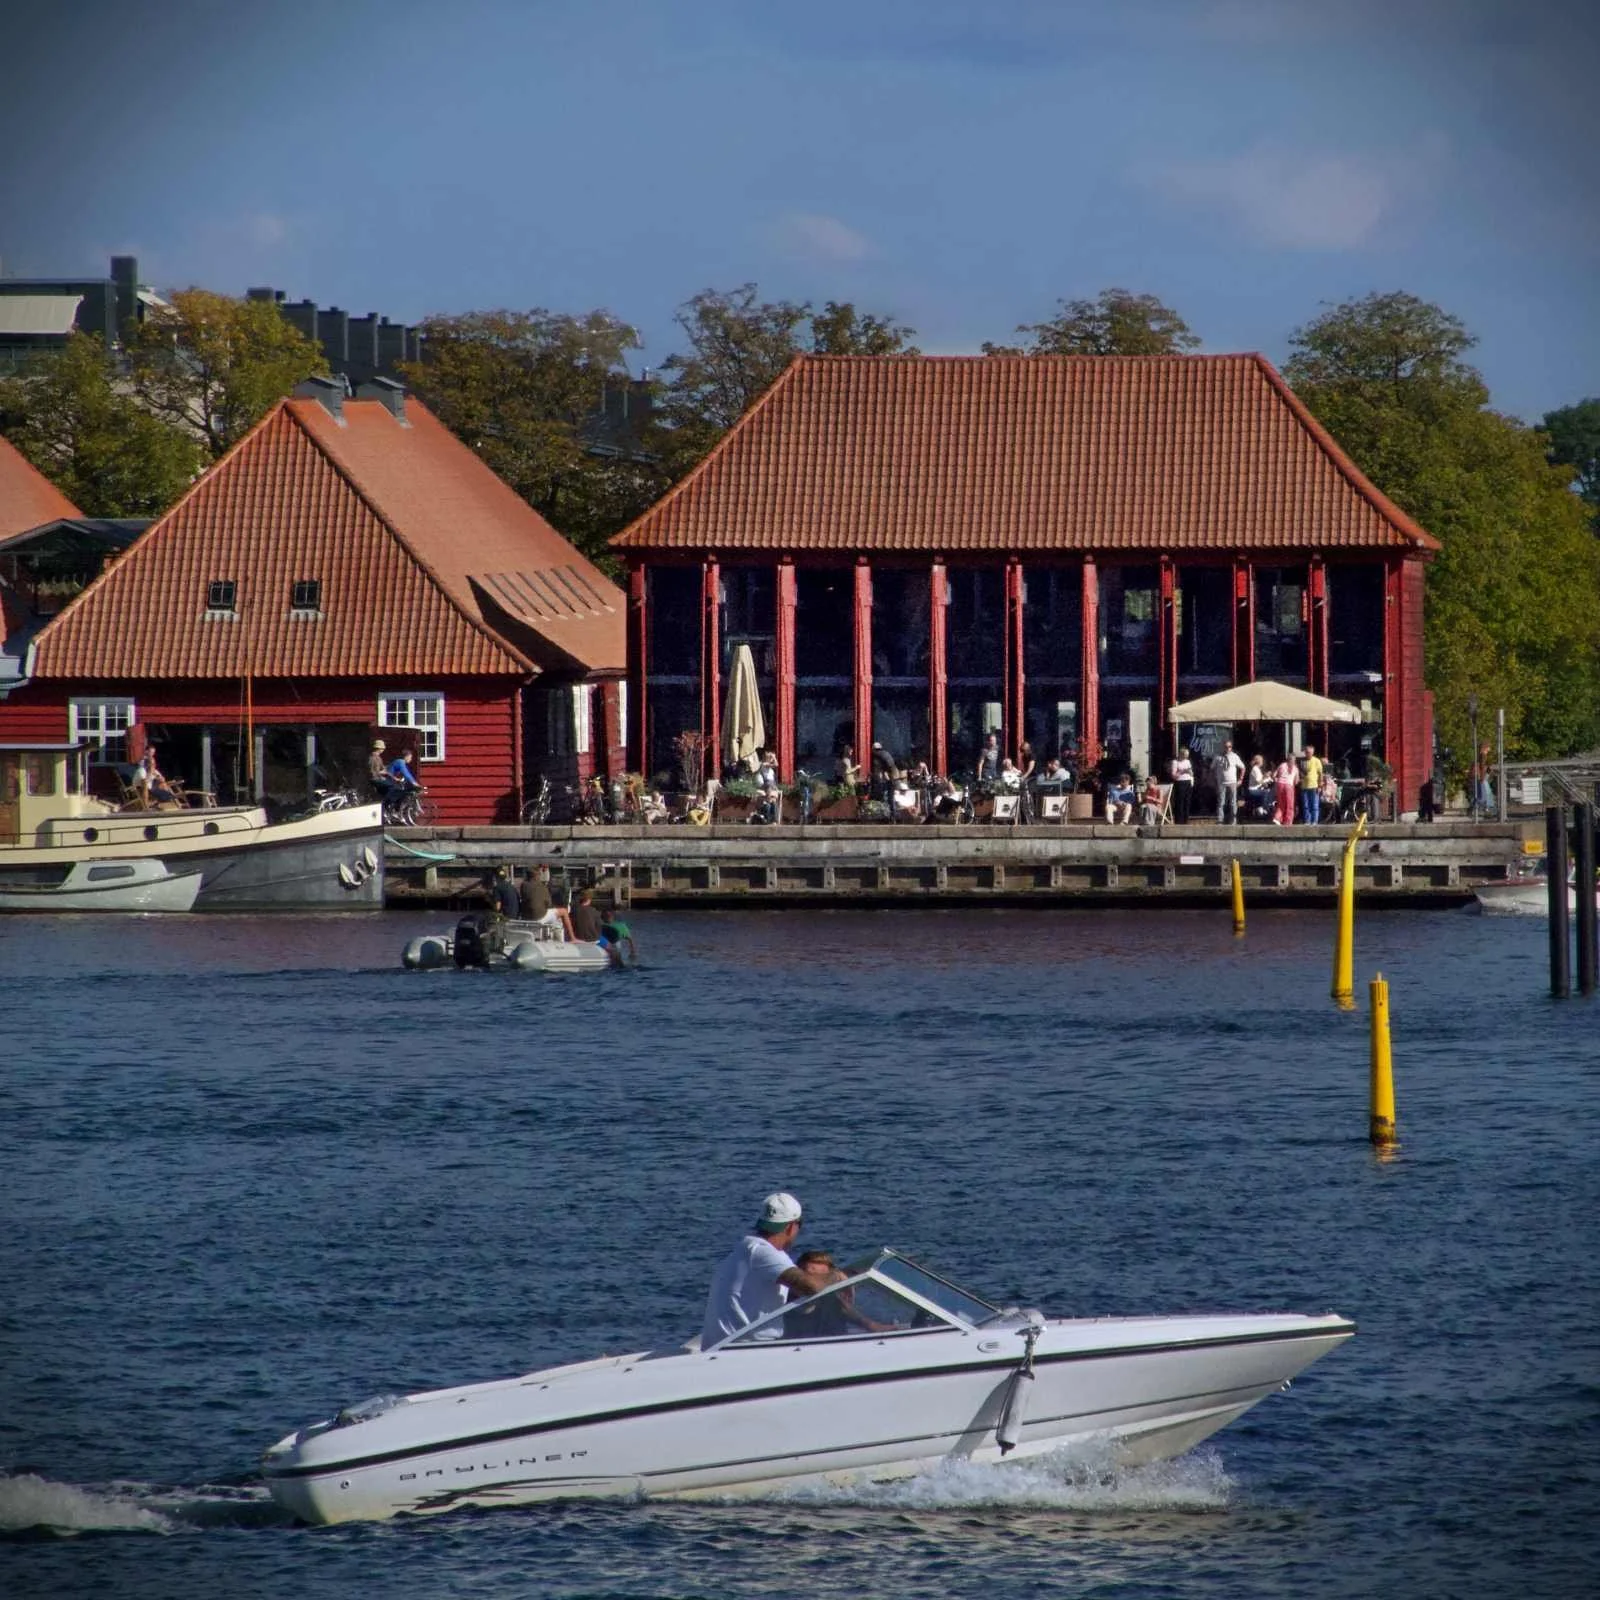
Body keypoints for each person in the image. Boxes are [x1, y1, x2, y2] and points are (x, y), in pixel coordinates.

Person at [701, 1192, 832, 1347]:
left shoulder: (745, 1249)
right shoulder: (763, 1251)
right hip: (746, 1349)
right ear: (791, 1227)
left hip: (726, 1347)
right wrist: (837, 1277)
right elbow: (813, 1287)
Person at [783, 1251, 892, 1339]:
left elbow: (845, 1309)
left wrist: (871, 1325)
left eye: (823, 1277)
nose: (817, 1282)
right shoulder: (790, 1296)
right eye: (811, 1276)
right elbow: (806, 1305)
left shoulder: (832, 1298)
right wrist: (837, 1276)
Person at [1213, 740, 1245, 825]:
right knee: (1221, 802)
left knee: (1233, 802)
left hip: (1232, 782)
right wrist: (1215, 779)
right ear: (1223, 747)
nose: (1227, 748)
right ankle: (1220, 820)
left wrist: (1240, 779)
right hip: (1221, 783)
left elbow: (1243, 767)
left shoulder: (1234, 756)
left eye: (1229, 747)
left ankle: (1233, 820)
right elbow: (1212, 768)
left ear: (1231, 747)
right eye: (1226, 747)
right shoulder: (1217, 757)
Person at [1272, 752, 1299, 826]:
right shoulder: (1295, 768)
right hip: (1289, 786)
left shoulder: (1282, 765)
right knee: (1290, 805)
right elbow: (1296, 781)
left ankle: (1277, 818)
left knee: (1281, 804)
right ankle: (1288, 821)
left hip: (1280, 785)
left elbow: (1274, 775)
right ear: (1294, 760)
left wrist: (1277, 780)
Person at [1169, 746, 1194, 824]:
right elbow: (1173, 775)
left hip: (1188, 781)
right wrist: (1183, 771)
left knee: (1187, 801)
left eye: (1187, 755)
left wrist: (1190, 774)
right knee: (1180, 801)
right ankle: (1179, 820)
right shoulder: (1175, 762)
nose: (1186, 757)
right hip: (1180, 782)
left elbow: (1191, 772)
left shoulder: (1187, 761)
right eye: (1185, 755)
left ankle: (1186, 819)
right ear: (1181, 754)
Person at [1300, 745, 1324, 825]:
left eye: (1309, 752)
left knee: (1314, 804)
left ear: (1312, 753)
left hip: (1314, 786)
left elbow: (1320, 773)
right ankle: (1307, 821)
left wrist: (1320, 785)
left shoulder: (1316, 761)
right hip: (1304, 786)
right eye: (1306, 752)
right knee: (1306, 805)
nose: (1307, 754)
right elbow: (1300, 772)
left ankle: (1314, 821)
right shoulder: (1302, 761)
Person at [368, 739, 397, 803]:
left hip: (377, 778)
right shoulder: (373, 758)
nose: (383, 750)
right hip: (374, 779)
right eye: (382, 749)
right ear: (378, 749)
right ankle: (383, 802)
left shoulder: (378, 758)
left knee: (391, 784)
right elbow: (373, 772)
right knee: (392, 786)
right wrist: (381, 776)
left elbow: (383, 768)